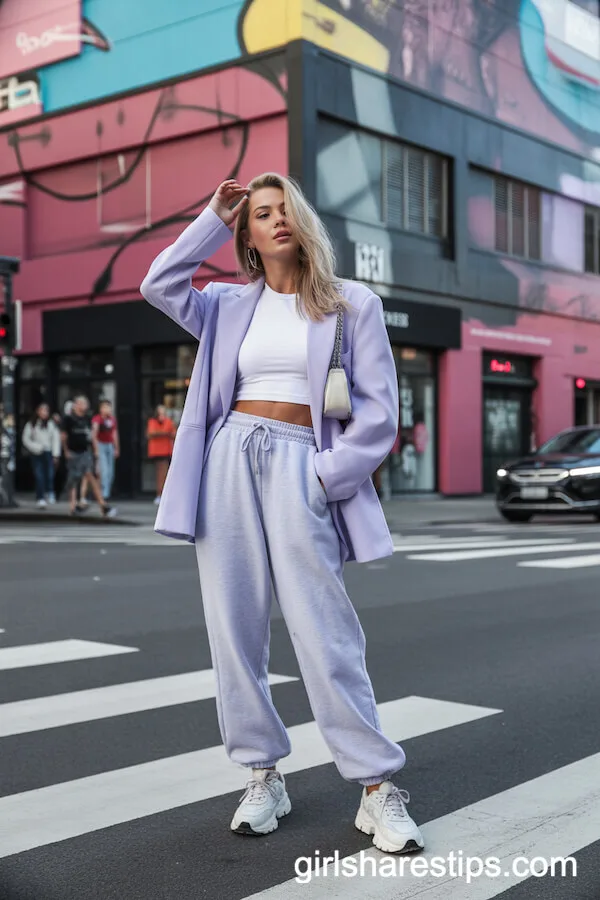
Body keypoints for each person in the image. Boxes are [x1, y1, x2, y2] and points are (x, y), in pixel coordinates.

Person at [140, 175, 424, 854]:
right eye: (259, 213)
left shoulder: (352, 303)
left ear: (302, 221)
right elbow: (159, 282)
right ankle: (262, 773)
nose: (274, 220)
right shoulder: (226, 305)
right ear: (247, 233)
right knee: (233, 630)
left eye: (283, 209)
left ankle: (377, 786)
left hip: (305, 461)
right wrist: (213, 214)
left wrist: (327, 473)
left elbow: (380, 411)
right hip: (229, 461)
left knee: (326, 629)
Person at [61, 395, 117, 518]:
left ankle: (102, 504)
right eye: (83, 404)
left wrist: (95, 450)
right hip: (73, 451)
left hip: (85, 451)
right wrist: (65, 450)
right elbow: (64, 435)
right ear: (76, 405)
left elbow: (92, 435)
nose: (85, 406)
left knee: (90, 475)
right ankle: (73, 506)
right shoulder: (69, 419)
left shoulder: (87, 418)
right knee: (73, 479)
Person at [22, 403, 61, 507]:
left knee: (50, 474)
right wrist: (35, 447)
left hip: (48, 451)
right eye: (42, 410)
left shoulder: (51, 424)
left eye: (46, 411)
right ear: (38, 412)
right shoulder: (32, 424)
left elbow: (55, 439)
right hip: (36, 452)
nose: (44, 413)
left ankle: (50, 492)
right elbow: (26, 439)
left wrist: (56, 454)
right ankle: (40, 496)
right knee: (39, 475)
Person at [146, 405, 176, 504]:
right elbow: (151, 433)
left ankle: (163, 494)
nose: (162, 415)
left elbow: (173, 433)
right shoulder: (152, 421)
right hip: (157, 451)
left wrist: (161, 433)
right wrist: (164, 433)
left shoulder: (168, 421)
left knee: (165, 473)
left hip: (166, 450)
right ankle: (159, 494)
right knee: (160, 473)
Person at [91, 399, 120, 501]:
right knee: (104, 471)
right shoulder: (97, 419)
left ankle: (106, 491)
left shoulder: (112, 420)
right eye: (105, 407)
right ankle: (104, 494)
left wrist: (116, 447)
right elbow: (94, 434)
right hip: (101, 444)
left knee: (111, 472)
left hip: (109, 445)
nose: (108, 409)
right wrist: (96, 449)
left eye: (109, 407)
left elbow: (114, 433)